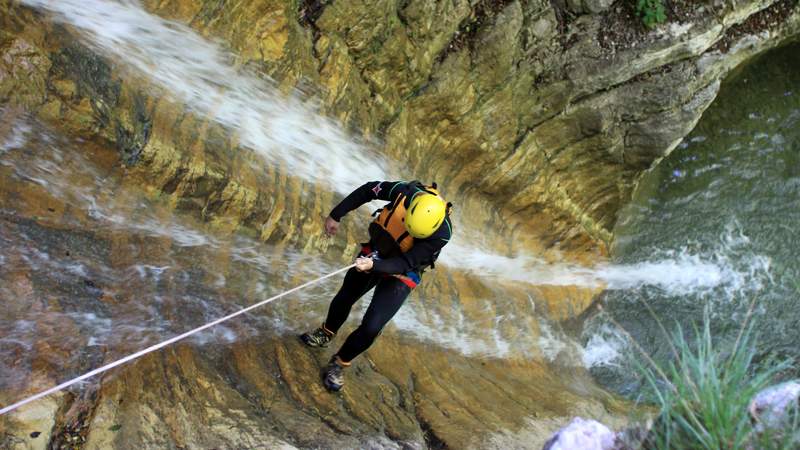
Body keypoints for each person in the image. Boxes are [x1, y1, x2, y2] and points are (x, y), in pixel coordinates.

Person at [300, 180, 453, 391]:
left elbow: (406, 262)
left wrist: (374, 265)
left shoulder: (442, 233)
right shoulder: (404, 192)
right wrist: (336, 214)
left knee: (372, 326)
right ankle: (326, 333)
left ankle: (339, 363)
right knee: (346, 295)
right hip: (380, 248)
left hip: (404, 269)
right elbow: (367, 190)